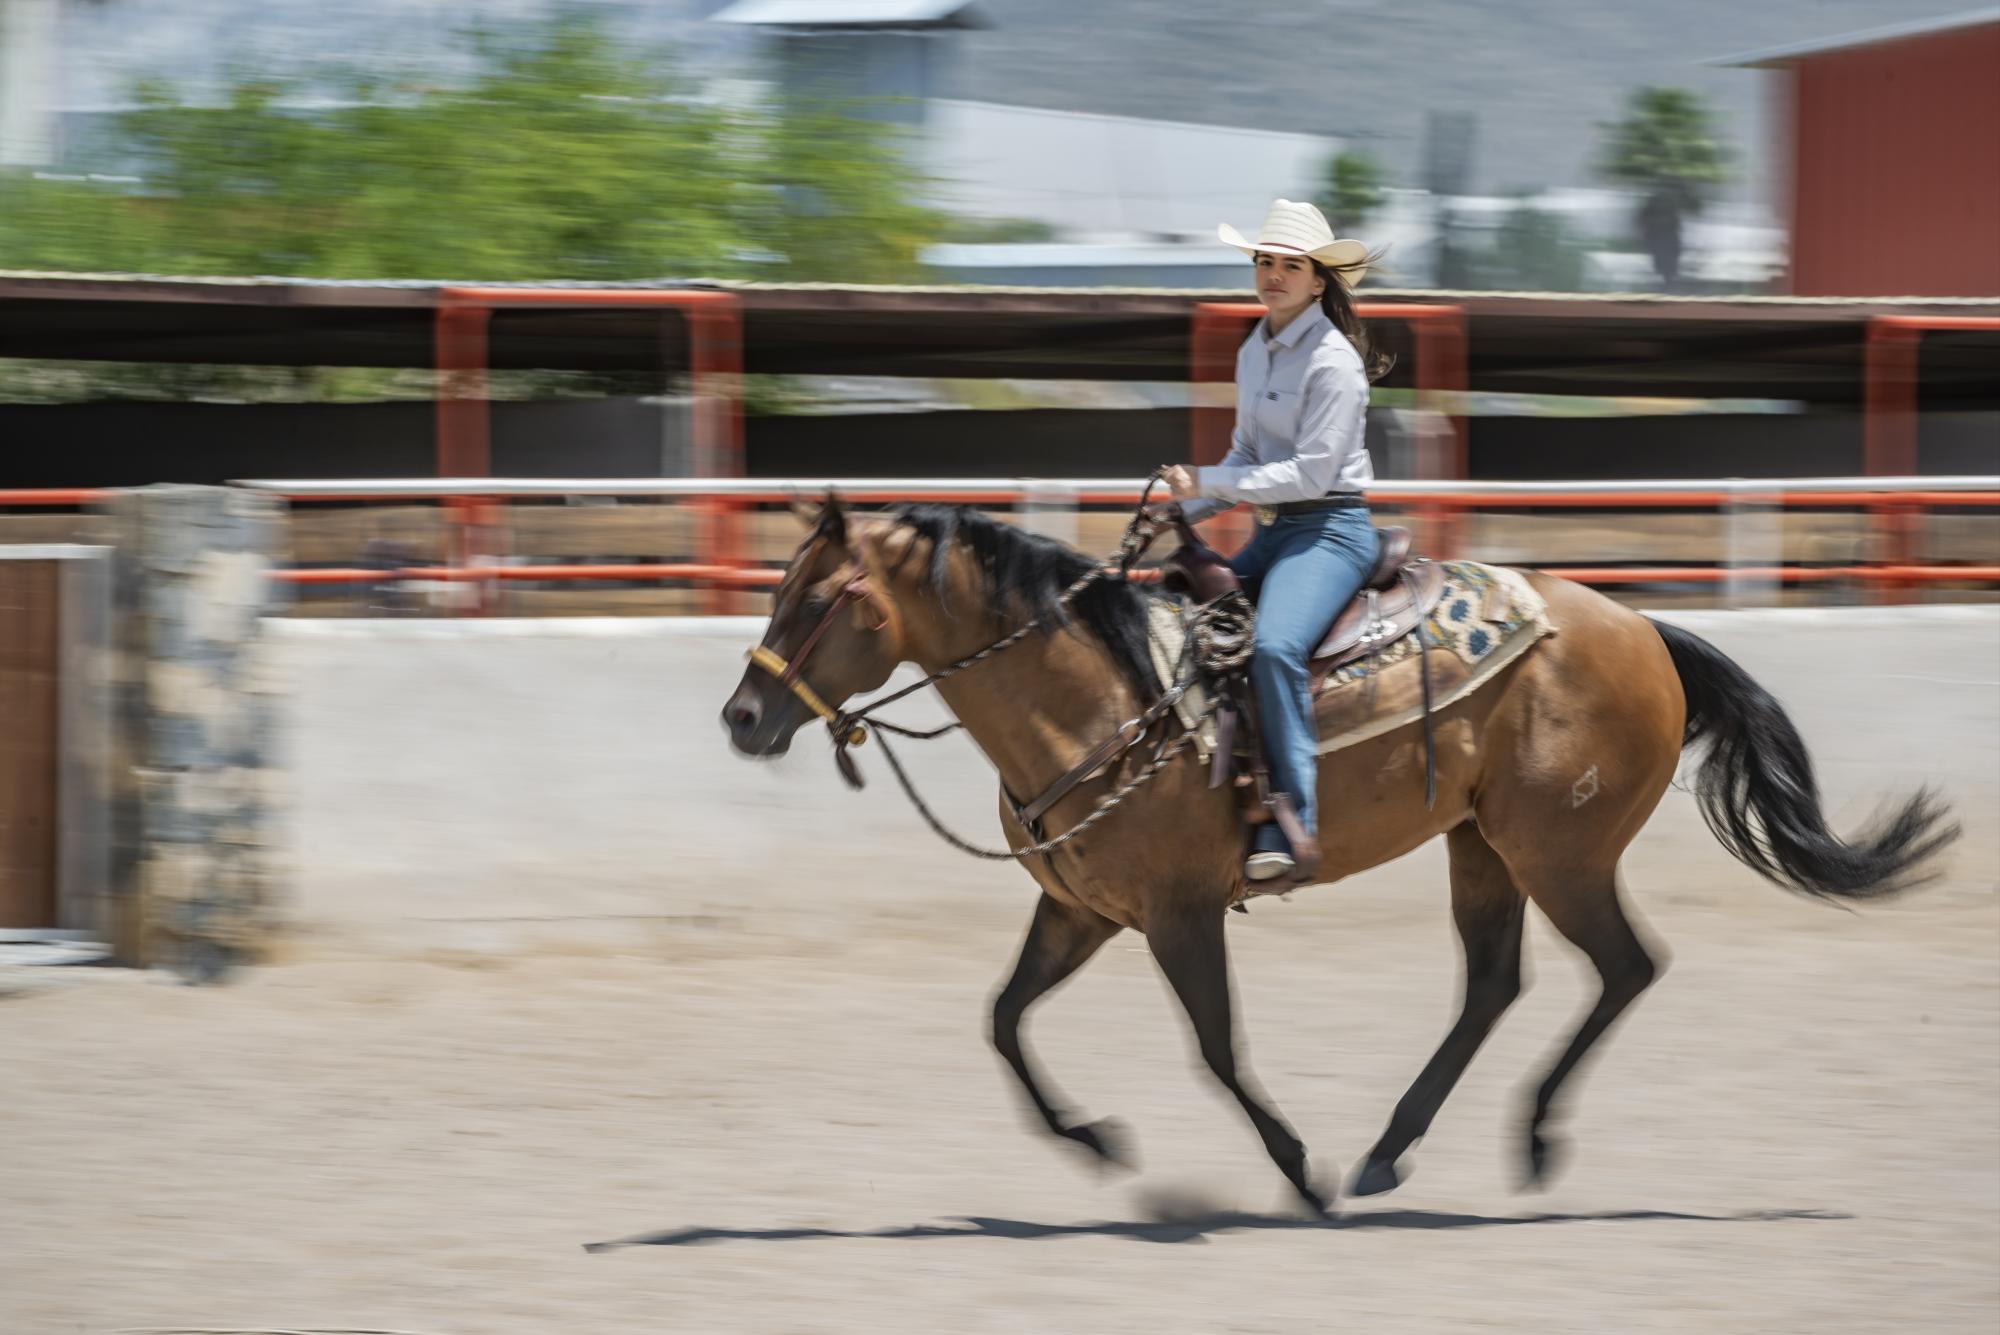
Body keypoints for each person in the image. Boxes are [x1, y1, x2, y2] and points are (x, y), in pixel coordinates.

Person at [1163, 198, 1391, 882]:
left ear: (1320, 280)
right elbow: (1245, 453)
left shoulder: (1333, 364)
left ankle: (1295, 822)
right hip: (1276, 531)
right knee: (1181, 630)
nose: (1273, 274)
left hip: (1330, 530)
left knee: (1274, 646)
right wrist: (1186, 505)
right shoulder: (1254, 350)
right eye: (1265, 261)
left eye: (1290, 265)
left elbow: (1313, 473)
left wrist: (1211, 481)